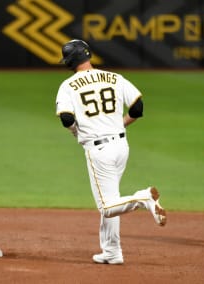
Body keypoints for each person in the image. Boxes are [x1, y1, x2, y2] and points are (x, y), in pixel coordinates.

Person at [55, 39, 167, 264]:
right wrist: (120, 124)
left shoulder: (68, 85)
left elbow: (66, 118)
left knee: (106, 207)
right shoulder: (114, 77)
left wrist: (77, 133)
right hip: (121, 146)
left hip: (99, 150)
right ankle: (112, 252)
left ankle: (143, 198)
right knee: (113, 198)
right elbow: (138, 107)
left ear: (70, 61)